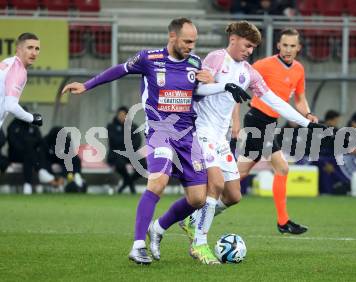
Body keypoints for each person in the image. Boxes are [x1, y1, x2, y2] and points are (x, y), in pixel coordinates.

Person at [61, 18, 247, 265]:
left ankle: (157, 228)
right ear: (172, 37)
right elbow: (119, 69)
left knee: (198, 199)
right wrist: (87, 85)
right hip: (159, 132)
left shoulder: (194, 63)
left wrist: (225, 87)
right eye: (187, 41)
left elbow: (198, 92)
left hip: (187, 136)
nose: (192, 46)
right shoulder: (149, 59)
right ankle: (138, 245)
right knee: (157, 182)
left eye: (194, 41)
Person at [171, 22, 326, 264]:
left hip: (223, 136)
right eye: (247, 45)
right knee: (219, 184)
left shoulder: (249, 72)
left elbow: (275, 100)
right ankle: (200, 243)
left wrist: (306, 122)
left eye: (253, 47)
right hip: (203, 129)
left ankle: (188, 220)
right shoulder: (216, 58)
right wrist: (226, 99)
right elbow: (197, 89)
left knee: (234, 195)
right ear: (233, 39)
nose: (250, 51)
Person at [237, 28, 319, 235]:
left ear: (299, 48)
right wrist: (234, 121)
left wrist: (307, 114)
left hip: (270, 123)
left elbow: (300, 98)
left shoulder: (299, 69)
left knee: (240, 172)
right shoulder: (264, 65)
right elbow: (237, 85)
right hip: (256, 119)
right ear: (278, 46)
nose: (288, 49)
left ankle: (203, 199)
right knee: (282, 168)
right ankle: (283, 221)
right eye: (285, 45)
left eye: (293, 45)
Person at [0, 33, 43, 129]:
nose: (34, 53)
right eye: (30, 48)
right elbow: (10, 106)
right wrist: (32, 118)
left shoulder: (8, 62)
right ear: (18, 49)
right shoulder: (18, 70)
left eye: (37, 49)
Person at [7, 116, 57, 194]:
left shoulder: (32, 126)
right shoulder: (13, 127)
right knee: (29, 152)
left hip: (30, 155)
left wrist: (30, 144)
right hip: (16, 155)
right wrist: (27, 145)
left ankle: (28, 184)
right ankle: (41, 171)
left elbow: (40, 140)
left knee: (33, 153)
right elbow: (13, 143)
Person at [107, 106, 146, 194]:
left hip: (131, 153)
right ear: (117, 115)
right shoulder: (111, 126)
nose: (122, 117)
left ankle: (126, 183)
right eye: (120, 115)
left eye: (124, 115)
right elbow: (114, 141)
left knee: (144, 164)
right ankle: (131, 185)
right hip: (116, 153)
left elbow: (138, 141)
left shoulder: (133, 126)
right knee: (120, 163)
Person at [43, 126, 86, 192]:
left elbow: (69, 154)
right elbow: (44, 156)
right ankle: (54, 182)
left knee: (76, 160)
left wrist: (63, 175)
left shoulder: (67, 139)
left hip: (63, 159)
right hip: (50, 159)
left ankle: (77, 179)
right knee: (44, 163)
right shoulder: (46, 140)